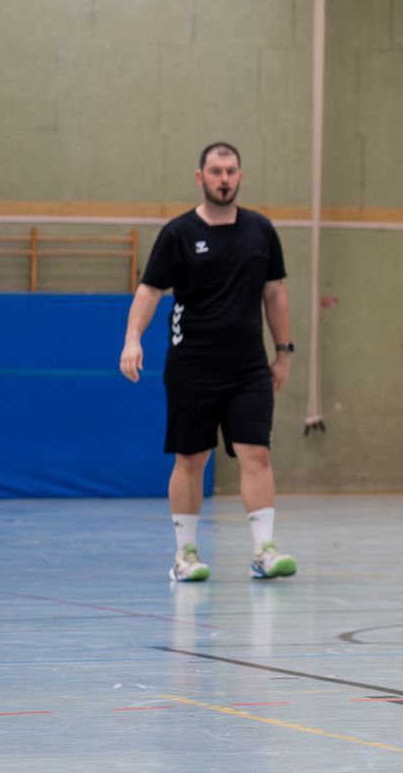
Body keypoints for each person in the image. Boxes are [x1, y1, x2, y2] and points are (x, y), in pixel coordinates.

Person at [120, 142, 297, 583]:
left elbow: (274, 293)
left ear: (240, 176)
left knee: (256, 453)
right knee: (191, 458)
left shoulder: (261, 231)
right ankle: (185, 555)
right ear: (200, 177)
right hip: (192, 366)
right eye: (216, 171)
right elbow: (150, 290)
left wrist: (283, 352)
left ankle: (264, 551)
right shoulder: (178, 233)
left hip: (248, 368)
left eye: (231, 171)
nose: (224, 179)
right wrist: (132, 339)